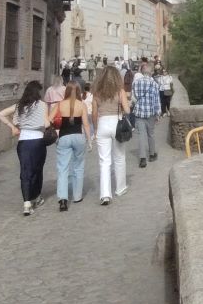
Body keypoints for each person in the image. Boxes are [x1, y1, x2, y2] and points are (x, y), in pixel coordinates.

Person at [0, 81, 51, 216]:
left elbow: (0, 114)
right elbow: (46, 123)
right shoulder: (42, 105)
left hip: (23, 142)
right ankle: (36, 197)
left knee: (25, 171)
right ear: (38, 92)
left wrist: (13, 127)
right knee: (37, 170)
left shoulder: (19, 106)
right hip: (38, 141)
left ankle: (26, 203)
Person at [91, 65, 131, 205]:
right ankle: (120, 188)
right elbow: (127, 109)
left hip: (102, 124)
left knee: (104, 161)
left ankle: (105, 194)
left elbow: (94, 114)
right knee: (119, 157)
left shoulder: (97, 93)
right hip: (116, 123)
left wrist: (95, 130)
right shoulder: (120, 91)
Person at [50, 82, 91, 211]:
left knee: (63, 168)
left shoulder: (59, 104)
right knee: (78, 166)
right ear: (79, 91)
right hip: (78, 137)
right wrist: (89, 140)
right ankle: (77, 196)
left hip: (64, 137)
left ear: (66, 91)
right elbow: (86, 124)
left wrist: (55, 128)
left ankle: (63, 199)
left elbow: (49, 119)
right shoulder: (82, 105)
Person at [131, 63, 161, 168]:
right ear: (151, 72)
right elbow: (157, 101)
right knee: (151, 134)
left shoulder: (136, 83)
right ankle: (152, 155)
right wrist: (158, 114)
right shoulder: (155, 84)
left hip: (139, 113)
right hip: (150, 113)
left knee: (141, 136)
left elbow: (133, 98)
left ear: (143, 72)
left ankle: (142, 159)